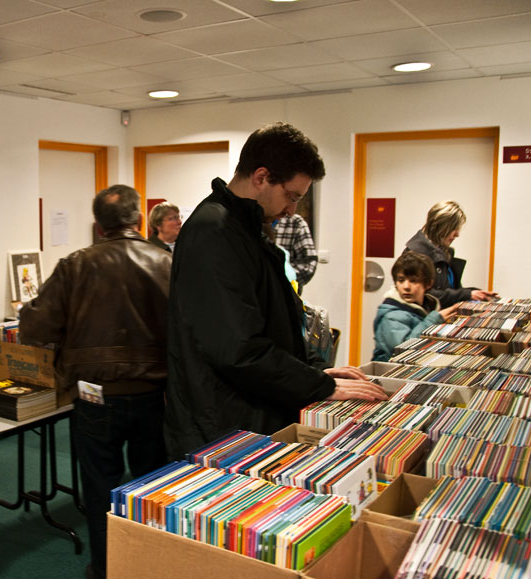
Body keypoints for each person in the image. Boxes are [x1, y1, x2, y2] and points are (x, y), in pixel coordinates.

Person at [165, 122, 387, 460]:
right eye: (291, 196)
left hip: (247, 412)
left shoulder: (243, 226)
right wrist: (318, 385)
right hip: (225, 426)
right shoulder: (215, 231)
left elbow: (267, 320)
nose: (292, 210)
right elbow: (237, 349)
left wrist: (312, 372)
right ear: (261, 177)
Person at [19, 184, 171, 579]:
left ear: (98, 225)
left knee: (101, 486)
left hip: (94, 395)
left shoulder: (75, 265)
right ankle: (153, 570)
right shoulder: (167, 262)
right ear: (138, 220)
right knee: (154, 485)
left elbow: (34, 327)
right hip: (155, 393)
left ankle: (107, 574)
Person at [404, 200, 497, 305]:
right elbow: (424, 295)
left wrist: (476, 293)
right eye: (454, 228)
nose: (457, 234)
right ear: (440, 225)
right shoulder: (413, 255)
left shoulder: (444, 252)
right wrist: (466, 294)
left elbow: (450, 290)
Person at [372, 252, 460, 361]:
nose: (406, 286)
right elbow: (402, 351)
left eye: (413, 281)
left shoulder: (428, 306)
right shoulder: (391, 316)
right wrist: (434, 319)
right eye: (401, 280)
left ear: (428, 284)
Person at [273, 213, 318, 293]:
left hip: (286, 293)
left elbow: (308, 263)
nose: (290, 211)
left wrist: (281, 280)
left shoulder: (295, 222)